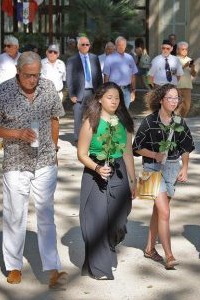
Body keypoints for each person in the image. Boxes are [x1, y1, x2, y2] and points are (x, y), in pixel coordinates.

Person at [0, 51, 68, 288]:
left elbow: (55, 119)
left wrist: (53, 150)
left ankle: (52, 267)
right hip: (15, 161)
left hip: (44, 160)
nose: (33, 79)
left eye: (36, 75)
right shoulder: (4, 91)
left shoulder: (48, 87)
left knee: (46, 214)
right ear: (18, 72)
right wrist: (17, 134)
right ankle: (13, 267)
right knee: (14, 215)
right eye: (29, 75)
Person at [77, 82, 135, 280]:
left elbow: (127, 152)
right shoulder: (90, 122)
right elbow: (81, 154)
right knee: (96, 220)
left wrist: (132, 179)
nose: (114, 101)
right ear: (100, 98)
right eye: (110, 97)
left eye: (117, 98)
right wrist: (97, 168)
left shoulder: (123, 122)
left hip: (118, 169)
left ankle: (109, 247)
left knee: (119, 219)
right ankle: (100, 266)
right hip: (95, 171)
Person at [132, 84, 195, 269]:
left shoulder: (180, 122)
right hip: (151, 169)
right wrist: (154, 155)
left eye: (176, 98)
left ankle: (149, 248)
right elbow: (136, 148)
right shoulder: (149, 121)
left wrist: (185, 167)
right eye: (170, 98)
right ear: (161, 100)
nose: (174, 101)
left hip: (172, 168)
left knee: (159, 211)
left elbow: (186, 147)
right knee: (165, 211)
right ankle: (169, 255)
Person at [66, 36, 103, 142]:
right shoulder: (72, 60)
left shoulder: (94, 58)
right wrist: (71, 94)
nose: (86, 46)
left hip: (93, 92)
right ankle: (78, 140)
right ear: (78, 46)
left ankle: (92, 138)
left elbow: (99, 77)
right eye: (83, 44)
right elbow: (69, 79)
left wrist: (100, 92)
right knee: (78, 118)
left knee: (94, 116)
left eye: (87, 44)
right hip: (78, 93)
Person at [103, 36, 138, 108]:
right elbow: (106, 76)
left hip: (127, 90)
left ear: (125, 46)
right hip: (113, 89)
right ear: (116, 46)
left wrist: (133, 91)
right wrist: (106, 91)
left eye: (123, 45)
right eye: (119, 45)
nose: (121, 47)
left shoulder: (130, 58)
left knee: (125, 113)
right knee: (114, 112)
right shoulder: (109, 58)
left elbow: (133, 75)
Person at [175, 41, 196, 117]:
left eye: (186, 49)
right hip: (177, 86)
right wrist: (184, 66)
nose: (185, 51)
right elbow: (174, 72)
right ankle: (176, 122)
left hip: (187, 86)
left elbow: (193, 74)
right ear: (178, 50)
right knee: (177, 106)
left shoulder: (189, 59)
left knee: (187, 106)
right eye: (183, 49)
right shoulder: (174, 59)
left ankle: (181, 121)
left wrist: (193, 69)